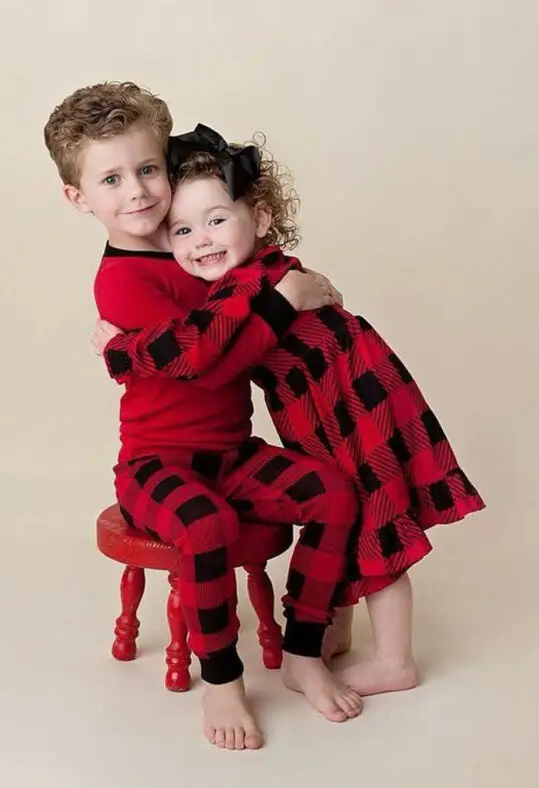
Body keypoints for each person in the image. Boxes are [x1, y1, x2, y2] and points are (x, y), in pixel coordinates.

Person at [93, 122, 486, 699]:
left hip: (355, 413)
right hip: (335, 410)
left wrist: (121, 350)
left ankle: (393, 660)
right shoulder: (256, 275)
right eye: (183, 229)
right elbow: (211, 344)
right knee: (354, 513)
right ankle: (331, 634)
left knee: (378, 525)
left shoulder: (247, 286)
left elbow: (198, 353)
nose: (200, 240)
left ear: (261, 219)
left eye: (216, 220)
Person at [44, 82, 364, 753]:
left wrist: (294, 285)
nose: (137, 192)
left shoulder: (195, 243)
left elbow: (252, 266)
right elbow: (206, 366)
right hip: (154, 464)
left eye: (148, 168)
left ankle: (304, 647)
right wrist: (283, 302)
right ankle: (222, 680)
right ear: (79, 198)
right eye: (111, 179)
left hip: (230, 452)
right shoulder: (123, 279)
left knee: (334, 494)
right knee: (206, 523)